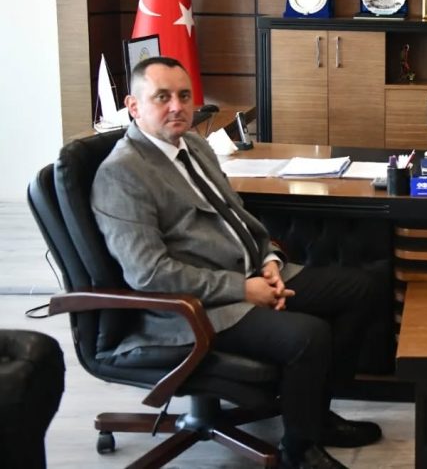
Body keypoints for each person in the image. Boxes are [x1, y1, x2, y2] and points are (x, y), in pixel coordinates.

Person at [91, 56, 388, 469]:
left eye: (184, 96)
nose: (177, 106)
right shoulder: (123, 173)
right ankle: (299, 450)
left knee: (363, 289)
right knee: (309, 334)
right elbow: (149, 273)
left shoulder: (194, 146)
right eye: (162, 97)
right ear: (134, 105)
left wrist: (269, 259)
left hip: (250, 273)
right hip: (194, 307)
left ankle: (315, 417)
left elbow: (237, 215)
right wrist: (243, 289)